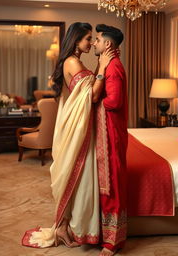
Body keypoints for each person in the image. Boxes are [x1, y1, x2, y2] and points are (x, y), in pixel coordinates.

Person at [22, 22, 115, 251]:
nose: (92, 42)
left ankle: (64, 227)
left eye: (94, 39)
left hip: (74, 125)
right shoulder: (73, 62)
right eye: (88, 39)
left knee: (79, 175)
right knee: (81, 176)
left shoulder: (74, 61)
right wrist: (103, 67)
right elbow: (92, 96)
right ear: (76, 41)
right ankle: (68, 227)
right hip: (76, 129)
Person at [93, 24, 128, 256]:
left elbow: (114, 102)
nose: (94, 43)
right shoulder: (109, 64)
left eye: (97, 40)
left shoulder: (112, 67)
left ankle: (111, 243)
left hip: (111, 133)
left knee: (112, 183)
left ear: (108, 44)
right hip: (110, 130)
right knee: (109, 182)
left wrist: (92, 102)